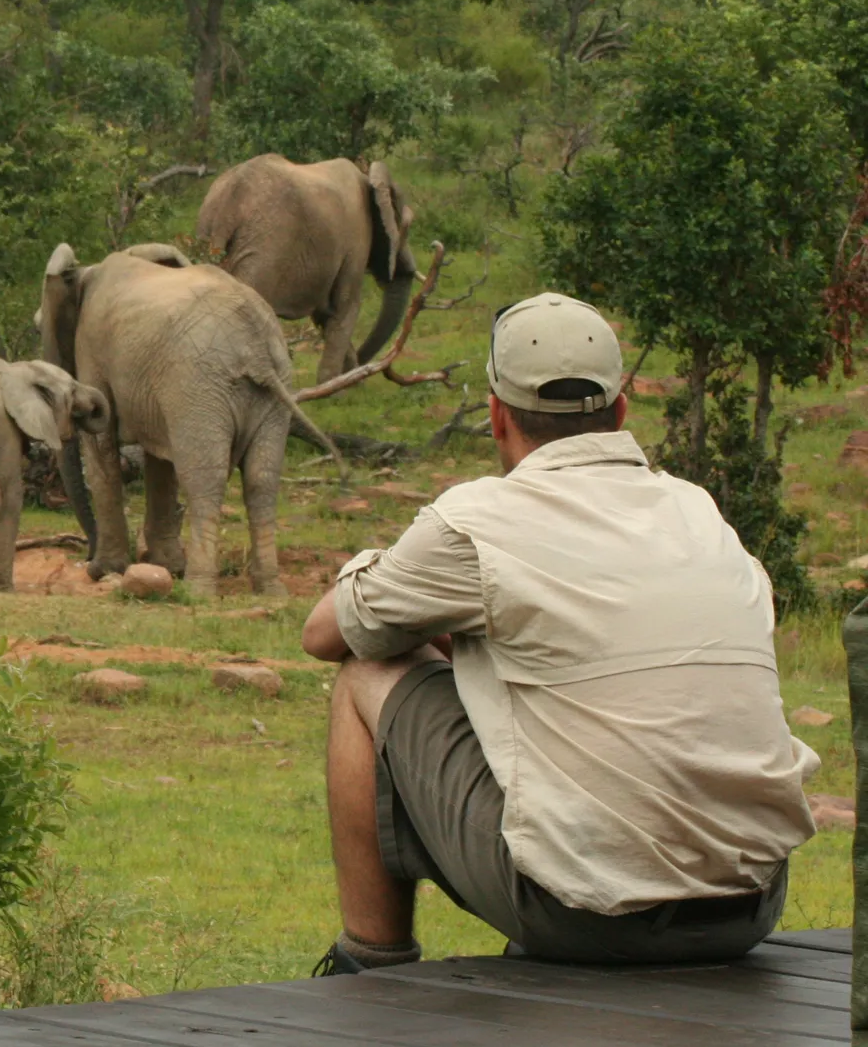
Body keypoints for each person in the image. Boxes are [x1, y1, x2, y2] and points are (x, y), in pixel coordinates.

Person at [300, 292, 819, 973]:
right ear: (621, 411)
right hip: (749, 906)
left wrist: (384, 575)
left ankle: (370, 962)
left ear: (496, 416)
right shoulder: (701, 514)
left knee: (365, 674)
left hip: (586, 919)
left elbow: (324, 632)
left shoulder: (479, 520)